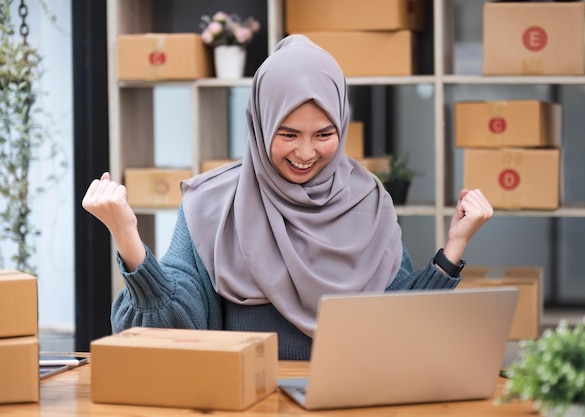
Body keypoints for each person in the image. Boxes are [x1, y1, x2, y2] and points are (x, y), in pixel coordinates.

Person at [82, 35, 493, 360]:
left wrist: (454, 246)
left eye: (324, 135)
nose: (306, 153)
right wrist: (127, 235)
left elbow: (402, 324)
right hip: (248, 402)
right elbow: (171, 332)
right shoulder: (212, 205)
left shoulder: (367, 199)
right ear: (260, 126)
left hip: (349, 402)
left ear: (343, 127)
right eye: (288, 134)